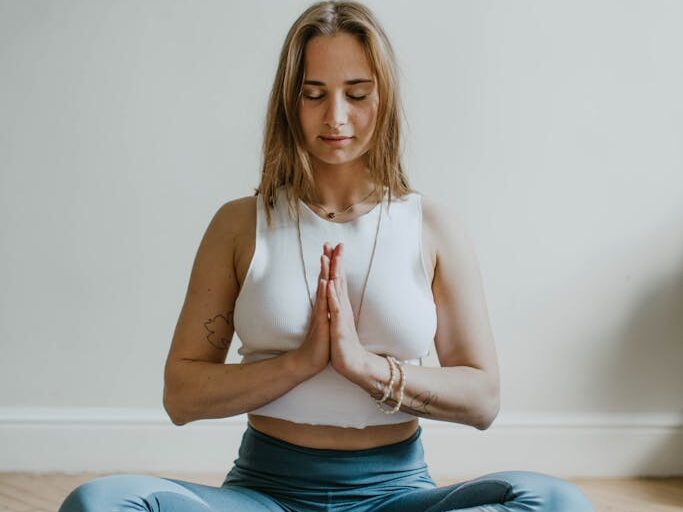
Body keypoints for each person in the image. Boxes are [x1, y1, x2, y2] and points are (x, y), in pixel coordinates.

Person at [59, 1, 595, 510]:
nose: (335, 116)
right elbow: (181, 395)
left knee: (557, 503)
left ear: (382, 98)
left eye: (356, 93)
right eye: (314, 94)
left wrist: (363, 367)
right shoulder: (240, 225)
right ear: (289, 101)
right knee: (100, 503)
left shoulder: (432, 226)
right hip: (266, 493)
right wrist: (300, 364)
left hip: (397, 495)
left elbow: (483, 399)